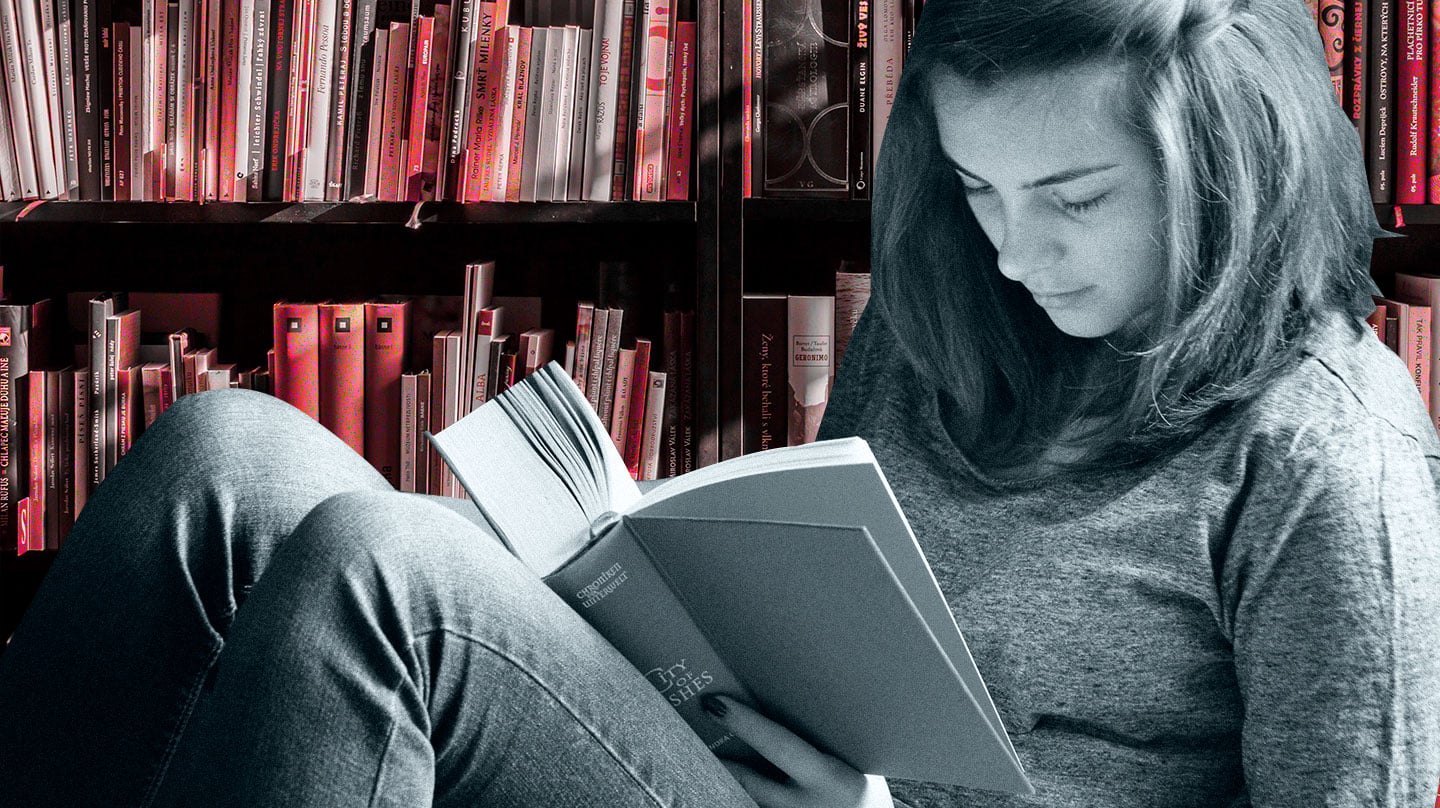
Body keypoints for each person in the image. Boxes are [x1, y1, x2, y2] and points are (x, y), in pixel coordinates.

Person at [0, 0, 1437, 806]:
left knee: (387, 572)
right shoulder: (961, 328)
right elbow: (810, 608)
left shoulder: (1328, 453)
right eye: (981, 191)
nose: (1015, 250)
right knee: (223, 452)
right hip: (733, 773)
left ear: (1235, 167)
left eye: (1072, 199)